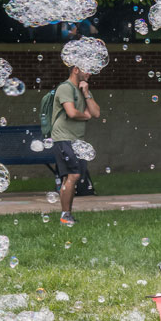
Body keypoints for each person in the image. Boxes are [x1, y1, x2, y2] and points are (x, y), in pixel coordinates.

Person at [51, 65, 101, 226]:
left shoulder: (82, 88)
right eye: (87, 69)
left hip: (77, 140)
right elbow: (71, 112)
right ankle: (65, 215)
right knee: (73, 175)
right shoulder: (65, 88)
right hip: (63, 137)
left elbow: (96, 113)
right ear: (75, 69)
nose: (90, 73)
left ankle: (67, 215)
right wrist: (85, 115)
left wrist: (86, 93)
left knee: (71, 176)